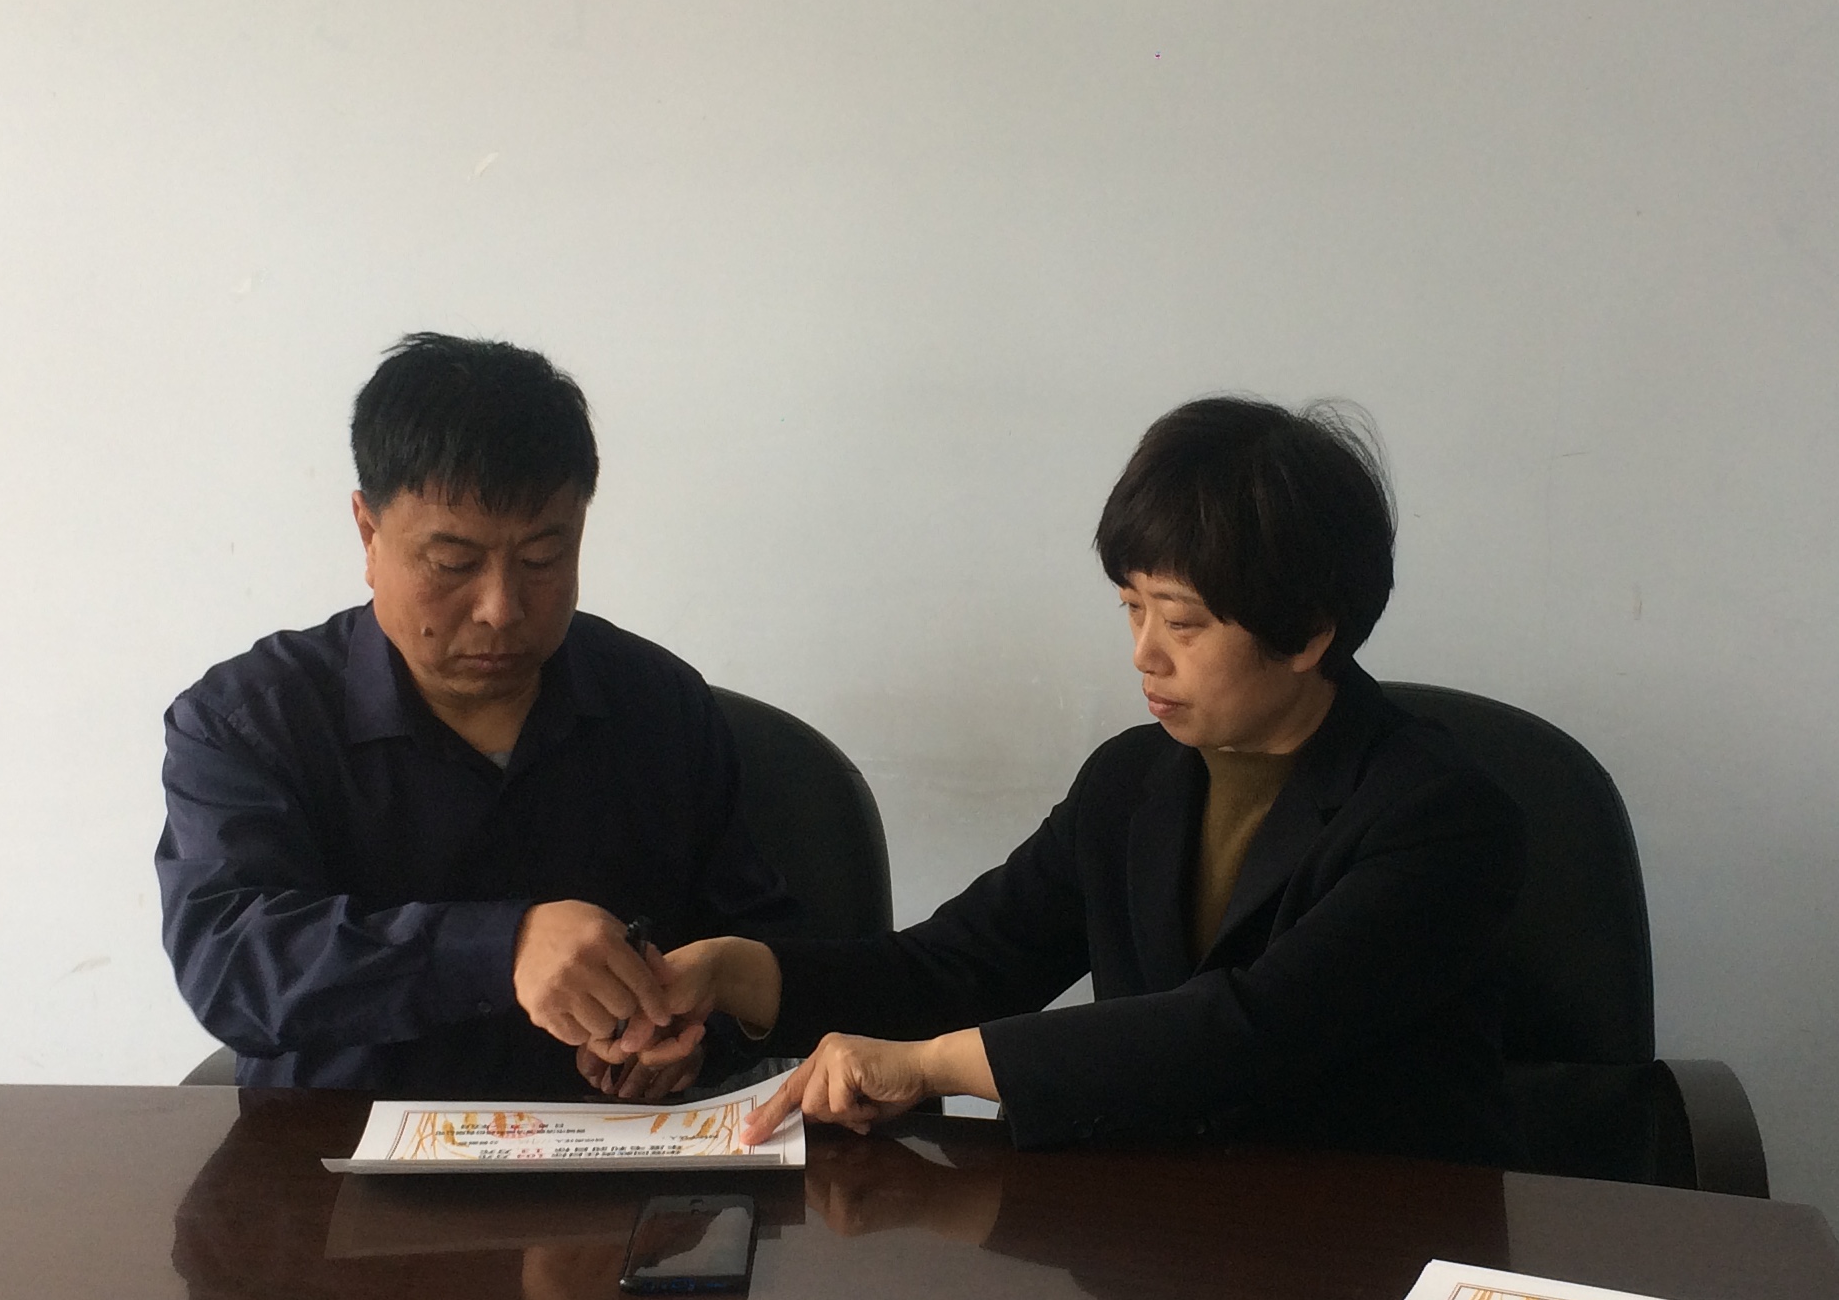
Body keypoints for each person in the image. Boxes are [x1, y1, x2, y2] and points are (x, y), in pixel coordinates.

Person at [659, 396, 1528, 1157]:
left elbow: (1250, 1030)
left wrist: (936, 1065)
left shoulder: (1440, 815)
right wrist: (737, 974)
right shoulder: (1130, 781)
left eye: (1181, 623)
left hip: (1380, 1234)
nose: (1144, 652)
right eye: (1131, 607)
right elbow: (957, 967)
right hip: (1156, 1233)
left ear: (1306, 634)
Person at [157, 334, 793, 1095]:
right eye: (453, 563)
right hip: (342, 1150)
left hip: (618, 1145)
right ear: (368, 532)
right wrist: (501, 949)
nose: (501, 608)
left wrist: (699, 1036)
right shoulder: (248, 723)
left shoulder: (660, 705)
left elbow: (768, 944)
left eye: (543, 560)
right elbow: (232, 966)